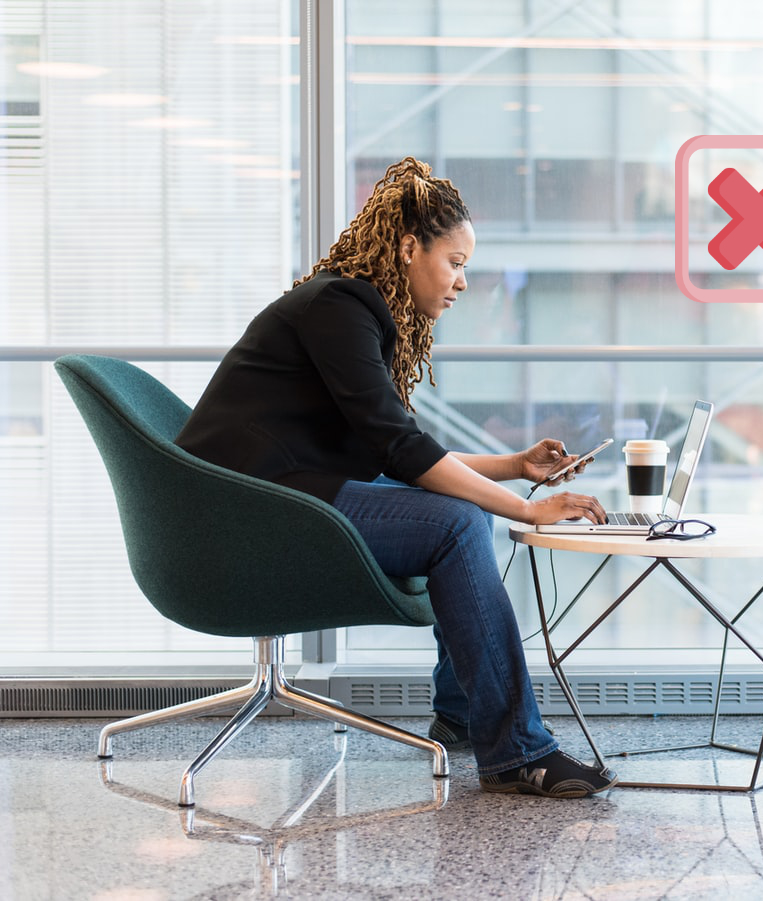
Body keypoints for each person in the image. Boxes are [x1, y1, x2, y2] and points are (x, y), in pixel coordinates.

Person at [176, 156, 617, 799]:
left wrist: (515, 468)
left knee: (459, 510)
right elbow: (401, 448)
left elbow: (397, 449)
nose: (463, 281)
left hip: (274, 494)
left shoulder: (348, 308)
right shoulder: (340, 305)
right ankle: (517, 751)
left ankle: (465, 716)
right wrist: (525, 507)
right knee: (460, 519)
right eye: (456, 262)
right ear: (410, 248)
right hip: (245, 511)